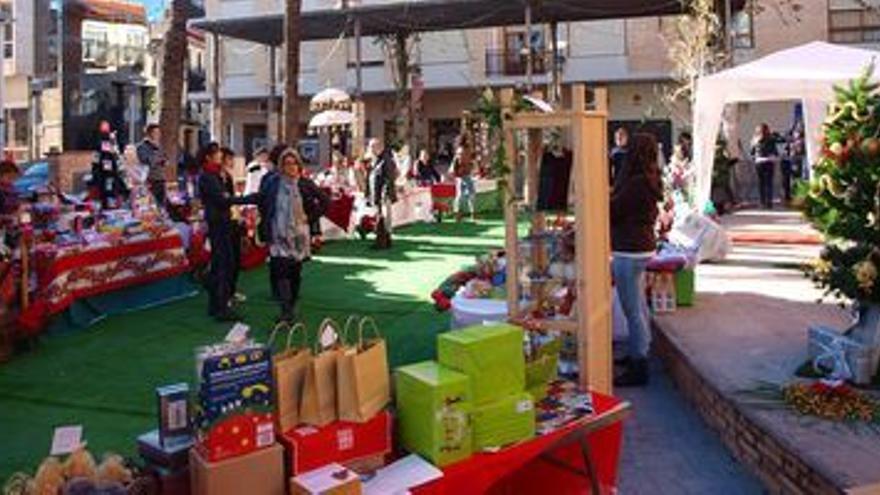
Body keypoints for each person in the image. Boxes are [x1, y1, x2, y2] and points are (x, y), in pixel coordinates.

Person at [611, 133, 663, 387]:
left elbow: (614, 211)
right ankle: (639, 352)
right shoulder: (650, 177)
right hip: (641, 247)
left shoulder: (637, 182)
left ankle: (639, 364)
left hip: (629, 250)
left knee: (632, 310)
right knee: (639, 306)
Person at [256, 148, 329, 323]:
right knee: (281, 270)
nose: (291, 167)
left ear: (299, 165)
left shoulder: (304, 184)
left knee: (294, 272)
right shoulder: (273, 182)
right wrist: (230, 201)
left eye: (294, 163)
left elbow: (326, 201)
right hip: (277, 233)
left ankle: (291, 304)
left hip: (298, 235)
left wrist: (309, 217)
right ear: (281, 166)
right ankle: (286, 311)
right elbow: (261, 199)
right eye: (287, 164)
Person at [197, 142, 248, 322]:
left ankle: (218, 302)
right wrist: (242, 199)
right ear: (209, 157)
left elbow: (226, 195)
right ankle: (220, 305)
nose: (220, 155)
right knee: (223, 264)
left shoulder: (218, 174)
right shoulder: (207, 176)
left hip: (224, 220)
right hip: (218, 222)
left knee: (225, 263)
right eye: (217, 153)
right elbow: (221, 198)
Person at [221, 147, 246, 304]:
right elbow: (228, 200)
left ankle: (232, 290)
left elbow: (232, 200)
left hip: (234, 220)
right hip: (225, 223)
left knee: (235, 259)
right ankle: (225, 294)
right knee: (227, 261)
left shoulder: (228, 177)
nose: (232, 162)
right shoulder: (216, 177)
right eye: (229, 159)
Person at [90, 121, 128, 209]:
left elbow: (118, 157)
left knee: (111, 195)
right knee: (107, 196)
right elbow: (97, 159)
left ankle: (112, 207)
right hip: (105, 175)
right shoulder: (101, 143)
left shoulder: (113, 141)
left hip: (112, 175)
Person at [137, 124, 168, 207]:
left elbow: (165, 159)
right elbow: (146, 161)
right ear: (150, 134)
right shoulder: (142, 147)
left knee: (161, 206)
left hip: (160, 179)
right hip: (150, 180)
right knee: (150, 206)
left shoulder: (159, 146)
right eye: (156, 132)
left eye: (159, 132)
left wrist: (163, 161)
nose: (159, 135)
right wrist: (158, 157)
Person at [750, 123, 780, 209]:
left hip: (759, 162)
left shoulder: (754, 140)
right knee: (769, 183)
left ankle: (762, 202)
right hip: (769, 161)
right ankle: (769, 203)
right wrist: (773, 156)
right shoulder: (771, 139)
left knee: (761, 183)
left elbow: (751, 152)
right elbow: (775, 151)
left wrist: (755, 158)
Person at [451, 136, 475, 222]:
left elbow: (457, 161)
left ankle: (458, 213)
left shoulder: (462, 150)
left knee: (461, 195)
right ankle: (470, 213)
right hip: (463, 174)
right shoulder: (463, 150)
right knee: (467, 194)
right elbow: (460, 161)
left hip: (463, 174)